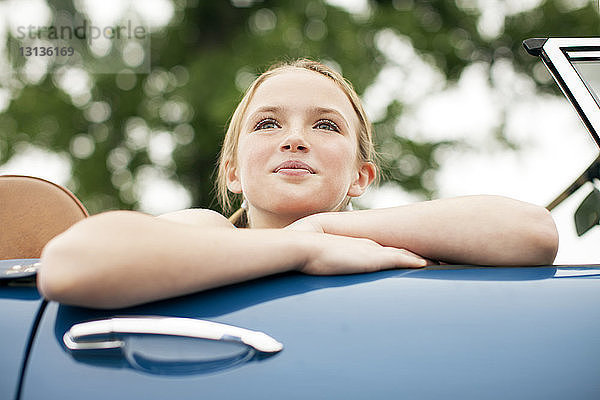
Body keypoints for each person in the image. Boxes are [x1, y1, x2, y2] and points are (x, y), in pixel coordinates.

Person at [37, 59, 559, 309]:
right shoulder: (209, 229)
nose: (294, 139)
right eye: (267, 124)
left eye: (326, 125)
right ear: (233, 173)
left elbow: (534, 234)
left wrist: (327, 229)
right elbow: (70, 265)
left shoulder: (393, 242)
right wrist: (300, 250)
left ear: (361, 176)